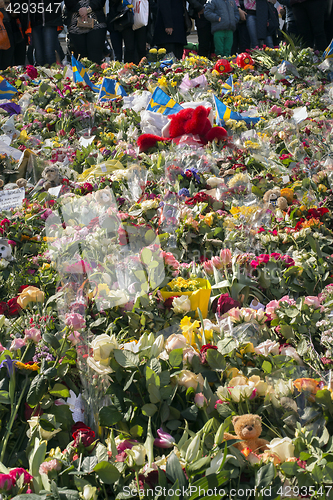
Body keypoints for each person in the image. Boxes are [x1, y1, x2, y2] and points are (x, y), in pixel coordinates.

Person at [29, 0, 63, 65]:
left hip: (51, 20)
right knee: (39, 56)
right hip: (35, 20)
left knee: (50, 53)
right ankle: (40, 74)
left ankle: (53, 73)